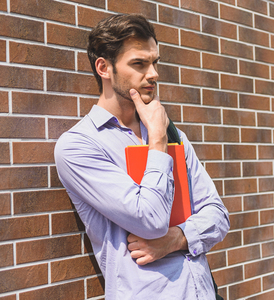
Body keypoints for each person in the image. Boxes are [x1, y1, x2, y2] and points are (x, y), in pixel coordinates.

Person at [54, 14, 230, 299]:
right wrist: (158, 140)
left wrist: (178, 239)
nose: (153, 74)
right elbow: (149, 220)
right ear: (104, 67)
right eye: (139, 63)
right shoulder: (79, 146)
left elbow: (218, 215)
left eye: (155, 62)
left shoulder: (173, 134)